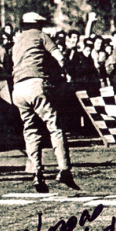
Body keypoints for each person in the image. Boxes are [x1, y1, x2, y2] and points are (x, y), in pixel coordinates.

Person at [12, 12, 79, 193]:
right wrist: (66, 72)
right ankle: (64, 169)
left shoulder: (17, 41)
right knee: (54, 126)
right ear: (38, 25)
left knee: (31, 130)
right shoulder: (42, 36)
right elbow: (60, 57)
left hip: (18, 89)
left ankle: (37, 172)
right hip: (37, 84)